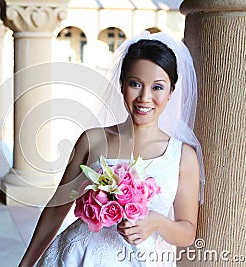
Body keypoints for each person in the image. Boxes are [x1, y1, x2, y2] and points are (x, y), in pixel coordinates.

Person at [19, 31, 204, 266]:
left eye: (157, 87)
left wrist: (157, 222)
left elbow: (187, 233)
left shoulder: (182, 156)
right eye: (135, 84)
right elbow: (56, 208)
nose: (145, 98)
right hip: (78, 256)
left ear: (171, 92)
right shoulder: (93, 140)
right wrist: (25, 264)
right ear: (122, 85)